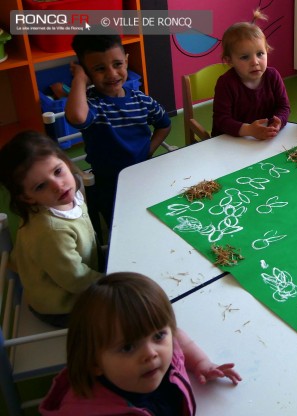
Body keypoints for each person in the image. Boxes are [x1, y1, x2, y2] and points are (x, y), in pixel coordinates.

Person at [39, 272, 242, 415]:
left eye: (158, 336)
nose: (151, 353)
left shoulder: (162, 346)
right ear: (94, 363)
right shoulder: (89, 411)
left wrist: (201, 364)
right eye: (128, 347)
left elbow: (177, 335)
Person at [67, 34, 171, 229]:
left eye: (117, 64)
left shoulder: (141, 100)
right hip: (108, 183)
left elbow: (164, 124)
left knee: (154, 218)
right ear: (87, 72)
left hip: (144, 173)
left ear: (127, 61)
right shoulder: (92, 104)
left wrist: (149, 149)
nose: (112, 74)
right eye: (99, 69)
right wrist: (79, 79)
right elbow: (78, 118)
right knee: (121, 226)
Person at [0, 131, 103, 328]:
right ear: (27, 198)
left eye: (58, 171)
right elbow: (76, 280)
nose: (58, 186)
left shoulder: (69, 194)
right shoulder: (50, 231)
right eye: (40, 186)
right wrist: (111, 281)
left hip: (82, 275)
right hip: (61, 306)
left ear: (65, 161)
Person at [212, 9, 291, 140]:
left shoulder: (273, 76)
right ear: (229, 60)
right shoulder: (225, 83)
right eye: (244, 57)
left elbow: (283, 106)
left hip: (263, 139)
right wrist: (249, 130)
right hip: (231, 140)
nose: (255, 62)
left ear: (267, 51)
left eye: (260, 54)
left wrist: (278, 122)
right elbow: (221, 120)